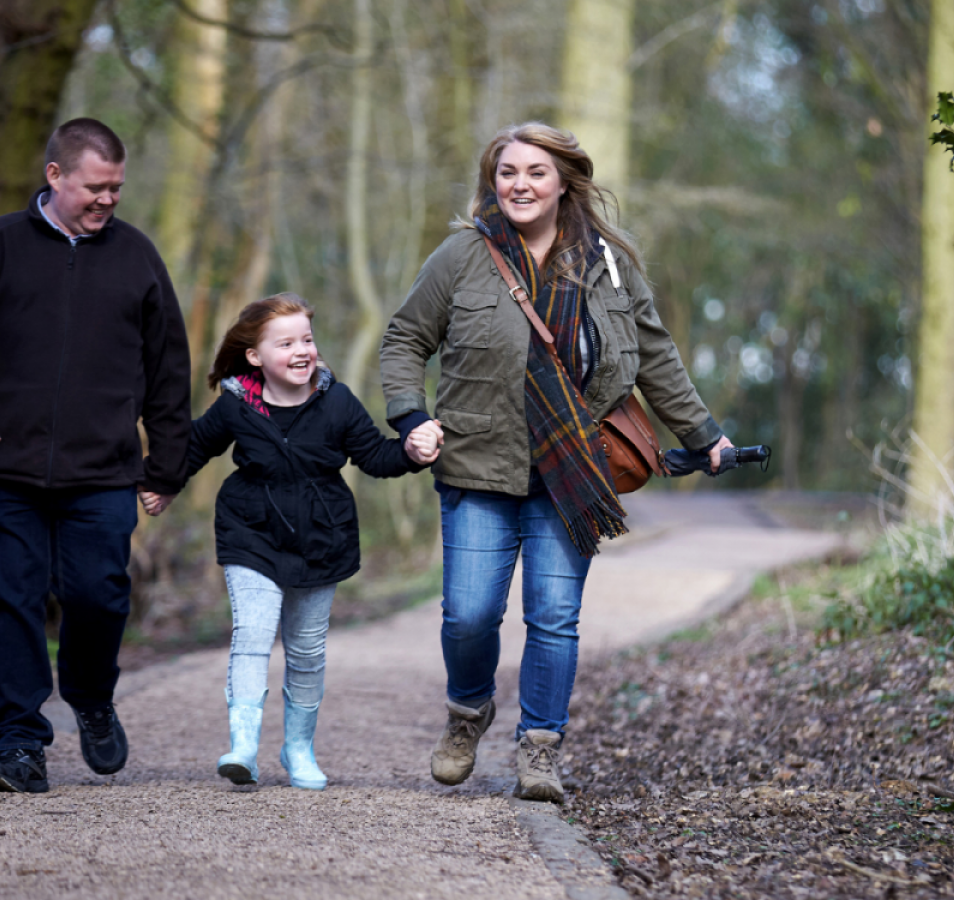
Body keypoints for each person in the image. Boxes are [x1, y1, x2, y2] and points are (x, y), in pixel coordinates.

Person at [379, 122, 734, 803]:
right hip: (478, 462)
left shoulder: (609, 263)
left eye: (535, 172)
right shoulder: (462, 255)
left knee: (552, 614)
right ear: (493, 181)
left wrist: (704, 431)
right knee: (469, 615)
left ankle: (539, 748)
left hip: (574, 464)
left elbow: (655, 356)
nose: (519, 184)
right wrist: (411, 415)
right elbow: (405, 337)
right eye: (507, 172)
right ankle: (467, 712)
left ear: (565, 181)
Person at [0, 118, 191, 794]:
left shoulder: (136, 257)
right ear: (54, 176)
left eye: (116, 189)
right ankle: (19, 744)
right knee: (11, 598)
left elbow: (167, 369)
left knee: (99, 595)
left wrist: (165, 465)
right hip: (3, 466)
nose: (107, 201)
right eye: (94, 188)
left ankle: (91, 696)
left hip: (102, 469)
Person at [144, 294, 442, 789]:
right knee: (254, 632)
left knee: (306, 651)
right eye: (286, 343)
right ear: (255, 356)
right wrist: (163, 483)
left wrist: (411, 450)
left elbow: (375, 459)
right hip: (250, 532)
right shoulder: (236, 405)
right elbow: (193, 447)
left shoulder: (338, 402)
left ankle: (298, 747)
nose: (302, 350)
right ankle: (243, 745)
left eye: (307, 338)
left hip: (321, 539)